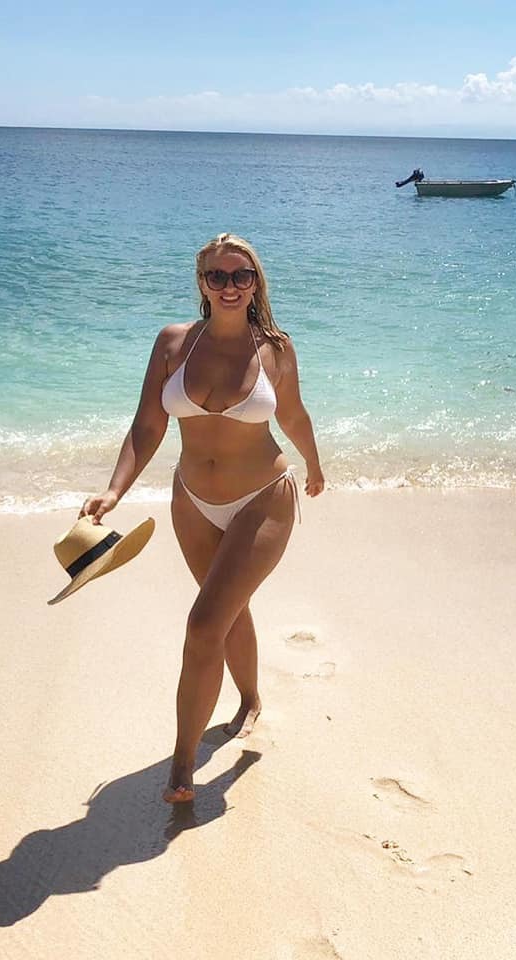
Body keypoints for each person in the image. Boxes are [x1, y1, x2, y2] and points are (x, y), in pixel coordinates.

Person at [80, 233, 324, 803]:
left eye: (242, 275)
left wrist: (314, 465)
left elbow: (293, 414)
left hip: (263, 498)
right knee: (224, 610)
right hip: (191, 500)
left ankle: (182, 766)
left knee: (203, 623)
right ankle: (250, 700)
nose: (230, 286)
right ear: (202, 283)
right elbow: (148, 424)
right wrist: (115, 490)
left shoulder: (275, 349)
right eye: (218, 276)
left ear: (256, 283)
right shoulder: (173, 343)